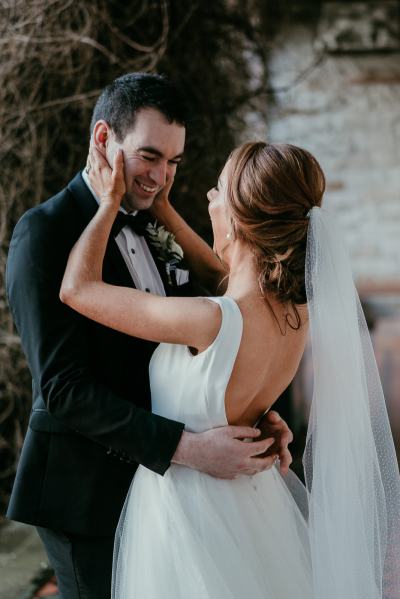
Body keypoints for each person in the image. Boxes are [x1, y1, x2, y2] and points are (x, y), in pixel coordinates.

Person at [61, 138, 400, 598]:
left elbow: (78, 289)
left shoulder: (210, 319)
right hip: (252, 506)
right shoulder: (294, 316)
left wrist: (108, 203)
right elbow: (225, 274)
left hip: (187, 515)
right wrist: (162, 209)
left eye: (218, 190)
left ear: (241, 220)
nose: (208, 198)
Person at [5, 73, 293, 599]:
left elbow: (216, 321)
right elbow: (65, 389)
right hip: (88, 490)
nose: (160, 177)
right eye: (149, 157)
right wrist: (190, 448)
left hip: (165, 492)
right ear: (102, 141)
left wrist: (240, 409)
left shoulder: (154, 220)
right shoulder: (43, 232)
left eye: (173, 163)